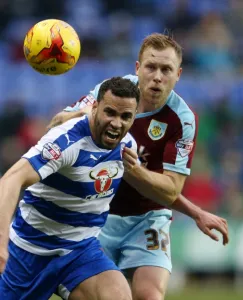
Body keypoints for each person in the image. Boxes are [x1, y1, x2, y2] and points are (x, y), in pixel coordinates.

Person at [49, 33, 229, 300]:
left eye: (166, 69)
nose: (157, 76)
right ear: (137, 68)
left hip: (148, 219)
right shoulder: (111, 93)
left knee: (149, 295)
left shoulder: (183, 120)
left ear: (178, 74)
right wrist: (88, 118)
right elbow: (55, 126)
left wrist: (131, 168)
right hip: (95, 213)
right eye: (151, 67)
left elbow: (168, 191)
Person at [0, 77, 140, 300]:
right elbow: (10, 180)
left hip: (80, 251)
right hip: (30, 250)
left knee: (118, 295)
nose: (117, 123)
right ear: (94, 108)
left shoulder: (127, 146)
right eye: (110, 113)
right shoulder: (65, 142)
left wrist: (195, 212)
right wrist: (0, 242)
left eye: (125, 117)